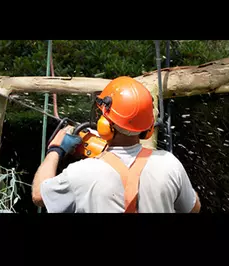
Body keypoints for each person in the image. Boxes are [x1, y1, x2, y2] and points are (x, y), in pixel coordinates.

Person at [32, 76, 201, 213]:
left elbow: (39, 195)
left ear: (104, 124)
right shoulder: (169, 164)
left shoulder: (80, 173)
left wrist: (55, 149)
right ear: (147, 128)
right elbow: (194, 207)